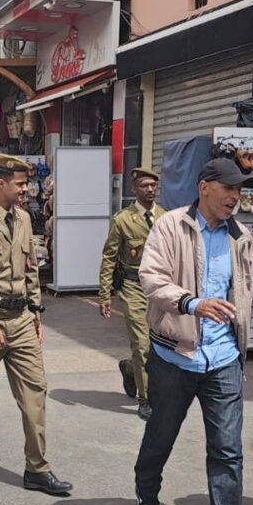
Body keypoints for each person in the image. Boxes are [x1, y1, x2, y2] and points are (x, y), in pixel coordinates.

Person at [133, 158, 253, 505]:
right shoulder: (170, 227)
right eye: (229, 188)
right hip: (175, 355)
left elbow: (241, 291)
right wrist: (190, 303)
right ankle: (147, 488)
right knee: (162, 433)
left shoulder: (241, 236)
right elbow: (150, 277)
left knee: (227, 451)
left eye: (239, 190)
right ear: (204, 187)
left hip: (222, 359)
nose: (235, 197)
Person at [0, 152, 72, 496]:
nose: (26, 189)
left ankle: (37, 467)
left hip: (21, 319)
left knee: (36, 391)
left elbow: (31, 269)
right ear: (1, 183)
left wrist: (36, 313)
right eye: (21, 184)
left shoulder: (22, 218)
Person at [99, 168, 166, 420]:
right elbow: (109, 258)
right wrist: (104, 294)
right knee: (142, 344)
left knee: (161, 344)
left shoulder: (166, 217)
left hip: (160, 287)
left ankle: (129, 369)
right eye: (145, 185)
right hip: (133, 286)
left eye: (153, 185)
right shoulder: (123, 220)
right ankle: (145, 398)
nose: (150, 189)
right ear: (134, 190)